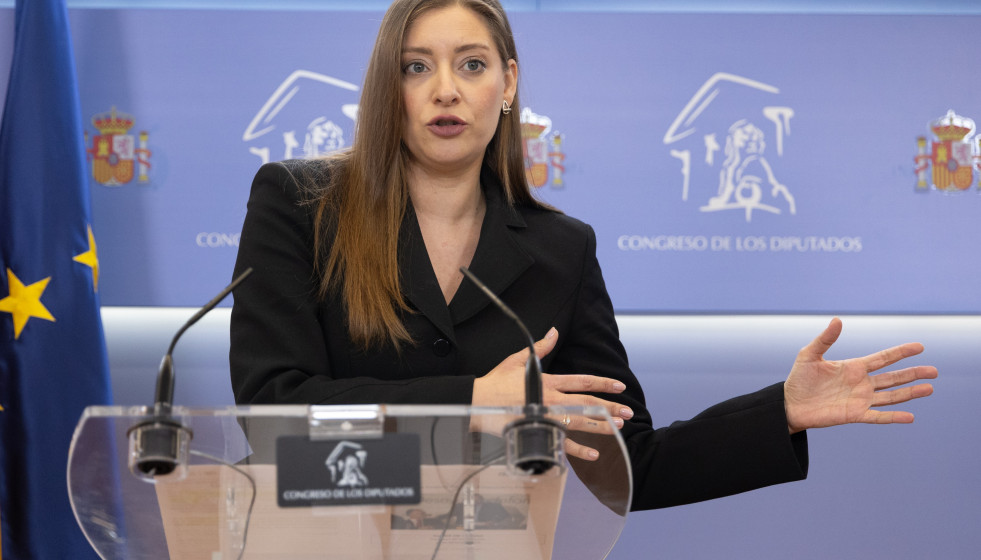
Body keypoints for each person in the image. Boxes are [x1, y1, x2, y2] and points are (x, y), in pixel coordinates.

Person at [229, 0, 937, 511]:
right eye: (416, 67)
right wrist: (474, 403)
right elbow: (273, 412)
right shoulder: (300, 202)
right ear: (390, 85)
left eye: (470, 65)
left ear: (505, 85)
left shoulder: (559, 249)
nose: (445, 89)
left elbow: (629, 462)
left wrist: (778, 411)